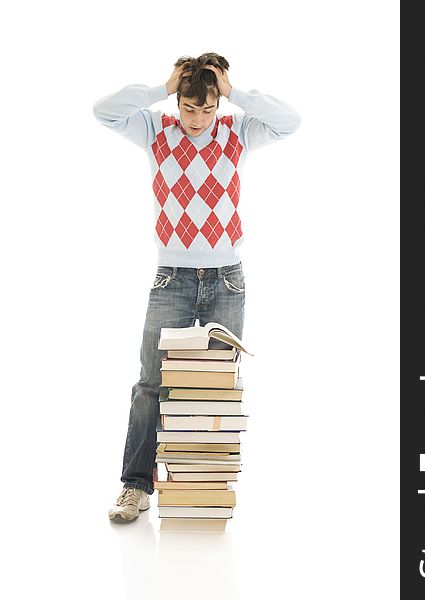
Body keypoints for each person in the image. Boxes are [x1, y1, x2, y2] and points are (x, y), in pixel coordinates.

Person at [92, 52, 301, 522]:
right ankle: (135, 487)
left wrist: (235, 94)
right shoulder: (155, 130)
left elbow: (291, 122)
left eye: (208, 109)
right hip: (172, 278)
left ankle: (206, 490)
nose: (198, 119)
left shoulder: (238, 131)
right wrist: (160, 89)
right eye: (189, 107)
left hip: (228, 278)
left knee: (216, 388)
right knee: (151, 383)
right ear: (178, 100)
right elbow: (104, 111)